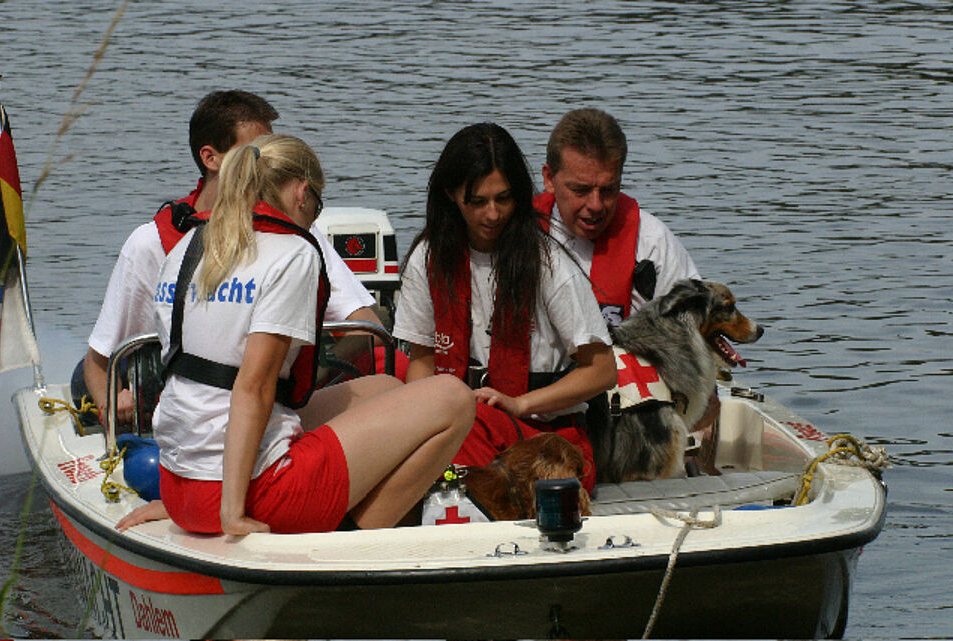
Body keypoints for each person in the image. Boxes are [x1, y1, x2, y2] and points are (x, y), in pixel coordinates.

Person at [149, 134, 473, 534]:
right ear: (303, 193)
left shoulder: (189, 244)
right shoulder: (292, 254)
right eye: (318, 206)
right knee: (454, 398)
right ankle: (351, 539)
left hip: (178, 487)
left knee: (385, 388)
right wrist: (231, 513)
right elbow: (254, 387)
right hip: (251, 493)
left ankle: (323, 511)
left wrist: (186, 502)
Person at [78, 90, 387, 425]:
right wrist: (113, 404)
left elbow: (368, 326)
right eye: (256, 155)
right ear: (210, 158)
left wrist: (315, 372)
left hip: (267, 407)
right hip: (195, 419)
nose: (268, 166)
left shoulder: (298, 238)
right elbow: (97, 362)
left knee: (387, 384)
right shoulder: (151, 244)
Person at [393, 123, 617, 494]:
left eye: (503, 199)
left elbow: (602, 371)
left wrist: (519, 404)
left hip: (548, 441)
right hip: (460, 426)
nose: (493, 214)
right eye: (478, 201)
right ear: (451, 195)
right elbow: (422, 363)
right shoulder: (427, 259)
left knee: (469, 427)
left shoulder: (548, 264)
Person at [535, 107, 700, 328]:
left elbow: (695, 332)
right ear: (549, 179)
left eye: (608, 190)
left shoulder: (652, 242)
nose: (595, 205)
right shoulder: (517, 235)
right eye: (580, 190)